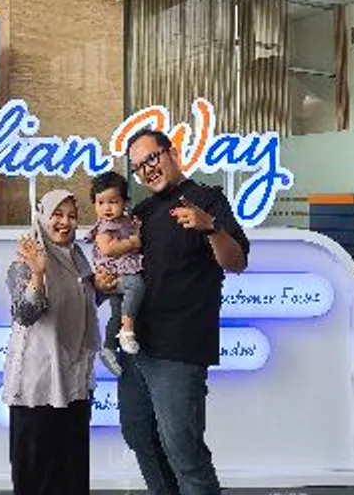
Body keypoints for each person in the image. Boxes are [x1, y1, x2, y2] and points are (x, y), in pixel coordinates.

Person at [118, 128, 250, 495]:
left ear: (172, 153)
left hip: (179, 348)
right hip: (136, 345)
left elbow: (237, 262)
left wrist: (211, 228)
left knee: (183, 451)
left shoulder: (208, 199)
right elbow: (131, 271)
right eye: (138, 166)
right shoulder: (141, 213)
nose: (147, 169)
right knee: (139, 435)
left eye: (152, 158)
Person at [2, 189, 112, 495]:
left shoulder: (77, 258)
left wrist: (101, 289)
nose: (65, 222)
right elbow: (25, 315)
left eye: (72, 216)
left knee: (71, 473)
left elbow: (79, 305)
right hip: (37, 385)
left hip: (74, 380)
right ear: (42, 217)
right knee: (37, 476)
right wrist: (38, 274)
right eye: (57, 215)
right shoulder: (24, 262)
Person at [88, 171, 144, 377]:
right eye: (101, 203)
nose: (107, 208)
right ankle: (127, 330)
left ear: (125, 202)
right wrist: (132, 242)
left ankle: (109, 347)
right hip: (115, 273)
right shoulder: (105, 226)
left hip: (121, 270)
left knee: (117, 312)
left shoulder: (125, 221)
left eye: (113, 202)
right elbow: (108, 249)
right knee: (135, 285)